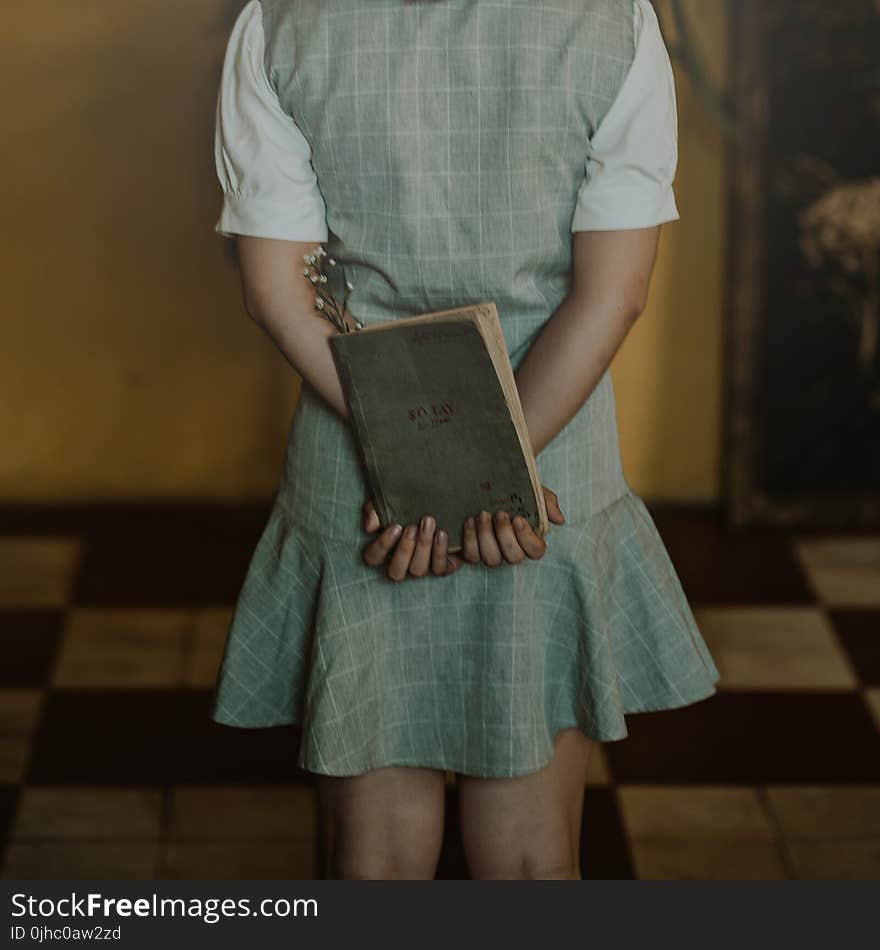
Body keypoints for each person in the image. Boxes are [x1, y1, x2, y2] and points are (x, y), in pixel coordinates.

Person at [211, 0, 721, 880]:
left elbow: (278, 295)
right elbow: (613, 296)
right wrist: (490, 471)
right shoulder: (614, 23)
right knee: (530, 858)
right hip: (545, 463)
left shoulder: (281, 23)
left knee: (372, 862)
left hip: (361, 464)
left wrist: (422, 467)